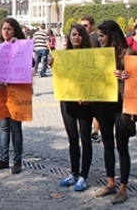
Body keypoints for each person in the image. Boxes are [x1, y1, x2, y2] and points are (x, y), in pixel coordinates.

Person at [93, 20, 133, 204]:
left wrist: (126, 75)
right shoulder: (99, 54)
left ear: (112, 34)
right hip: (103, 104)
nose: (99, 39)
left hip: (122, 105)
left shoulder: (127, 53)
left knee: (121, 146)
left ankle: (123, 187)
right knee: (107, 144)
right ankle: (110, 183)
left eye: (102, 35)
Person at [50, 24, 94, 192]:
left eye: (79, 35)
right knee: (72, 138)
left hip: (85, 103)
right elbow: (60, 75)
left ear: (84, 37)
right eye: (73, 35)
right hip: (67, 101)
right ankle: (74, 172)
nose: (76, 37)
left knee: (85, 139)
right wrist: (52, 64)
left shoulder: (91, 56)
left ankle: (84, 175)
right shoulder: (64, 56)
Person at [0, 17, 29, 174]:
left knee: (15, 128)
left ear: (15, 30)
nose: (6, 32)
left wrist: (17, 47)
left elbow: (30, 63)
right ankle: (3, 158)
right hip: (0, 91)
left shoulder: (22, 46)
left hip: (16, 92)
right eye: (4, 29)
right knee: (3, 127)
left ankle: (17, 161)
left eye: (9, 29)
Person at [80, 16, 102, 143]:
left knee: (94, 109)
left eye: (85, 26)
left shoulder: (94, 40)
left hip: (92, 79)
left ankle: (95, 131)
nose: (83, 29)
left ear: (92, 26)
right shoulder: (84, 40)